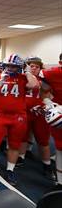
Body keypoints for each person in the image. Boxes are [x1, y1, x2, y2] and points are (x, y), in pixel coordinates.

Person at [0, 54, 39, 185]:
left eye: (14, 66)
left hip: (18, 117)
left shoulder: (23, 78)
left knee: (14, 145)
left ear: (20, 67)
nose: (11, 68)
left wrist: (28, 71)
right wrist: (1, 82)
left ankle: (10, 170)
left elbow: (35, 86)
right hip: (1, 116)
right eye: (8, 66)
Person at [40, 53, 62, 188]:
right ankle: (60, 183)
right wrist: (49, 104)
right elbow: (43, 91)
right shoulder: (52, 74)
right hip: (60, 113)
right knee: (60, 149)